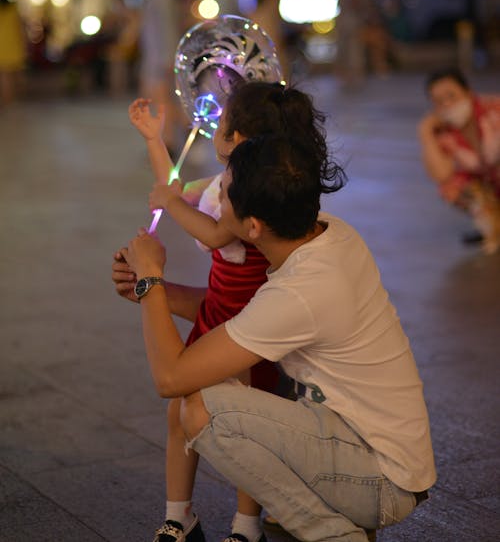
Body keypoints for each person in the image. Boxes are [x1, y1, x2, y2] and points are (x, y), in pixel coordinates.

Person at [114, 134, 436, 542]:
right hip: (391, 458)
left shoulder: (300, 291)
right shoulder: (331, 235)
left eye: (224, 195)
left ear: (252, 226)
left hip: (381, 481)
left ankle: (335, 534)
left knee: (199, 408)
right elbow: (246, 323)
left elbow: (172, 378)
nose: (215, 202)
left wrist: (151, 281)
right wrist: (153, 294)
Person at [125, 81, 340, 542]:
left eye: (221, 124)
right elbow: (176, 189)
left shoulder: (250, 192)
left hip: (247, 324)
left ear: (239, 138)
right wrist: (153, 140)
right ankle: (178, 515)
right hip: (218, 310)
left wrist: (168, 208)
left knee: (244, 426)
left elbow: (217, 233)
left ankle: (247, 525)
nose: (213, 128)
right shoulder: (231, 178)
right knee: (180, 415)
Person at [418, 67, 500, 254]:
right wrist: (425, 132)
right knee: (453, 187)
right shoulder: (444, 132)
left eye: (451, 96)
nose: (447, 104)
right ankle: (494, 226)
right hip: (492, 187)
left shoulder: (495, 109)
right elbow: (442, 175)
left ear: (468, 93)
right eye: (438, 101)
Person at [138, 0, 188, 152]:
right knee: (164, 102)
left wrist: (168, 59)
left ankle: (173, 141)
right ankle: (175, 138)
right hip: (157, 57)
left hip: (161, 59)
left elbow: (167, 27)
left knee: (162, 103)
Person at [0, 0, 26, 105]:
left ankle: (7, 101)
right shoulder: (13, 8)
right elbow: (21, 27)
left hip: (3, 45)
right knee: (14, 74)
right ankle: (12, 100)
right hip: (13, 43)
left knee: (5, 75)